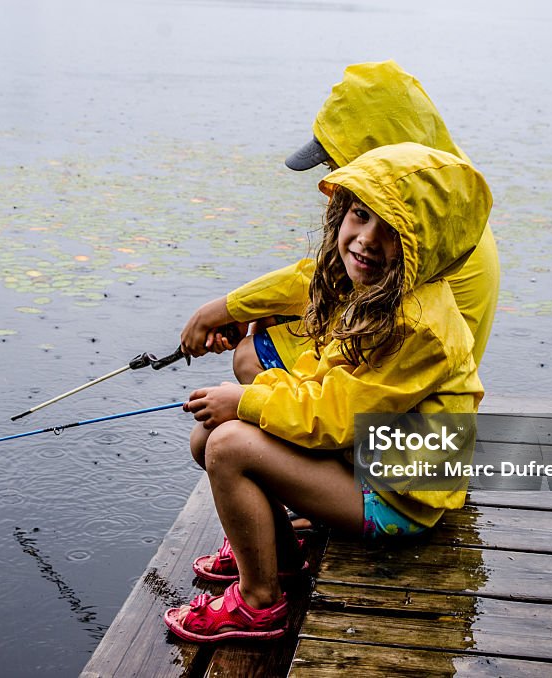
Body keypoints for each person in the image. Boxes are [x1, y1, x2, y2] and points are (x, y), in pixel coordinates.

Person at [163, 141, 492, 642]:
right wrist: (247, 388)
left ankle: (258, 604)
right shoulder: (379, 289)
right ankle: (279, 557)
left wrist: (247, 400)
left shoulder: (418, 326)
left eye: (392, 230)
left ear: (426, 245)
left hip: (400, 498)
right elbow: (326, 375)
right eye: (361, 215)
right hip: (362, 458)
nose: (366, 239)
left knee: (228, 446)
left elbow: (335, 417)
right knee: (207, 438)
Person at [181, 60, 500, 384]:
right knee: (273, 314)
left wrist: (222, 315)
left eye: (337, 165)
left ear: (380, 156)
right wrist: (242, 309)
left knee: (251, 357)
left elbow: (341, 290)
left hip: (403, 396)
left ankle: (264, 427)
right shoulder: (441, 187)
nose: (333, 184)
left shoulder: (415, 221)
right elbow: (329, 281)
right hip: (389, 335)